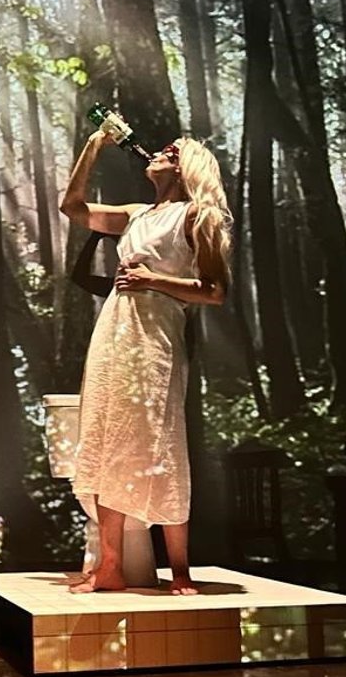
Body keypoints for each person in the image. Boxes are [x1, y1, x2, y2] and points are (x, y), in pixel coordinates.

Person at [59, 128, 232, 595]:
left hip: (156, 334)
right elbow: (73, 208)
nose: (156, 153)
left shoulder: (196, 215)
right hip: (115, 330)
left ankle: (180, 569)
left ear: (186, 168)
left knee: (161, 438)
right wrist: (94, 146)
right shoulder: (136, 214)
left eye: (170, 152)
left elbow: (214, 291)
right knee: (107, 435)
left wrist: (153, 279)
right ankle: (110, 566)